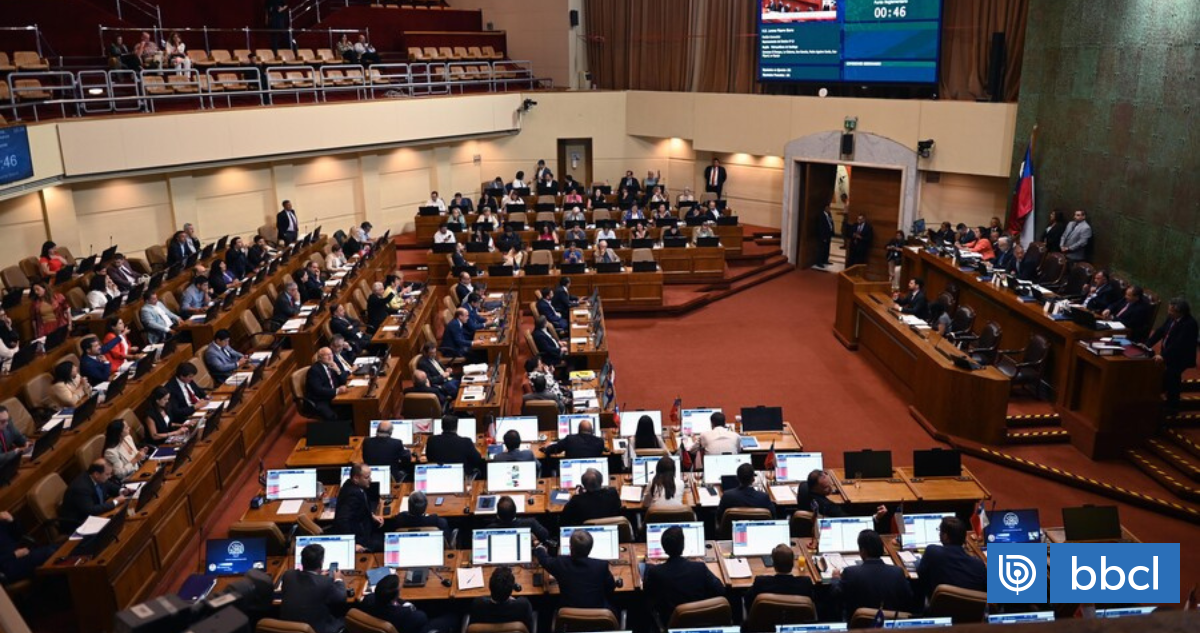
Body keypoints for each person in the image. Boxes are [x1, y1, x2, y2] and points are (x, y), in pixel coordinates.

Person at [643, 526, 725, 620]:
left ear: (664, 548)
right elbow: (720, 590)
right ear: (683, 546)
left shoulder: (656, 572)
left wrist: (649, 566)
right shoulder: (700, 568)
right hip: (699, 620)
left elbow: (647, 593)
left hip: (671, 621)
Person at [832, 530, 914, 620]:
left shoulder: (850, 573)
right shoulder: (897, 572)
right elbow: (909, 599)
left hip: (858, 625)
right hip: (890, 624)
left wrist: (835, 579)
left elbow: (836, 596)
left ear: (863, 551)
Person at [534, 529, 616, 610]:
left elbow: (544, 560)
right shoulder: (601, 566)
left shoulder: (561, 563)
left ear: (570, 547)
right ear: (591, 548)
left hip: (568, 615)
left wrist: (538, 545)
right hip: (598, 614)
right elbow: (610, 587)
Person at [1146, 298, 1199, 414]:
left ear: (1180, 312)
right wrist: (1147, 345)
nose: (1168, 312)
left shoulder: (1189, 324)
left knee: (1173, 378)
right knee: (1168, 377)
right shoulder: (1171, 318)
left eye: (1171, 311)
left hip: (1180, 357)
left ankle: (1173, 407)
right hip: (1169, 354)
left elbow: (1178, 344)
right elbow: (1160, 331)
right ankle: (1159, 396)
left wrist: (1163, 356)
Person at [279, 543, 347, 633]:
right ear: (321, 562)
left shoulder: (288, 575)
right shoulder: (325, 582)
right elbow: (341, 598)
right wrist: (338, 579)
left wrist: (317, 577)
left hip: (289, 629)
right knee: (344, 618)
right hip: (315, 629)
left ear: (302, 561)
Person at [915, 517, 986, 602]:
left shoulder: (932, 552)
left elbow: (920, 578)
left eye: (940, 531)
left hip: (939, 608)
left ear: (945, 537)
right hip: (972, 610)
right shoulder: (979, 565)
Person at [360, 574, 454, 633]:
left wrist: (403, 602)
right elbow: (422, 617)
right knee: (451, 616)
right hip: (410, 628)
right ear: (394, 597)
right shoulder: (407, 614)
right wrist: (408, 605)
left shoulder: (368, 600)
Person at [59, 459, 127, 535]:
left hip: (95, 516)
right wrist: (115, 502)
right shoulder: (81, 488)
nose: (110, 477)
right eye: (107, 474)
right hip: (79, 524)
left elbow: (108, 485)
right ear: (96, 474)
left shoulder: (97, 477)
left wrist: (122, 490)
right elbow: (91, 510)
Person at [743, 544, 814, 611]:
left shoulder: (761, 582)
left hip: (765, 619)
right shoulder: (805, 583)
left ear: (773, 564)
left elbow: (747, 600)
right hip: (796, 619)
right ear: (793, 564)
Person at [796, 470, 887, 522]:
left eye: (830, 484)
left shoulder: (803, 486)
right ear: (816, 489)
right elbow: (850, 521)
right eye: (826, 488)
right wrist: (875, 517)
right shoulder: (828, 506)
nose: (830, 489)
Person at [334, 463, 386, 552]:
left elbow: (359, 509)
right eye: (367, 477)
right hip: (360, 539)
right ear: (356, 478)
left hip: (365, 529)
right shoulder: (352, 495)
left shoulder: (352, 485)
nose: (370, 480)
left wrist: (372, 515)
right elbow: (342, 520)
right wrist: (352, 545)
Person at [469, 566, 535, 633]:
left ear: (489, 586)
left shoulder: (478, 605)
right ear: (511, 590)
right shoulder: (523, 606)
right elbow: (529, 628)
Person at [0, 509, 55, 586]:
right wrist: (14, 555)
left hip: (23, 553)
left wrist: (12, 521)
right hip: (7, 566)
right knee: (50, 553)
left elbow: (19, 536)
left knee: (58, 548)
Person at [307, 347, 348, 421]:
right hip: (320, 399)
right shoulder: (314, 370)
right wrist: (337, 390)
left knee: (351, 407)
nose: (330, 357)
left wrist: (337, 370)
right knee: (333, 417)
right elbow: (318, 390)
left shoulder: (331, 366)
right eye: (327, 355)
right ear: (320, 358)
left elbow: (343, 381)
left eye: (331, 354)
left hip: (332, 396)